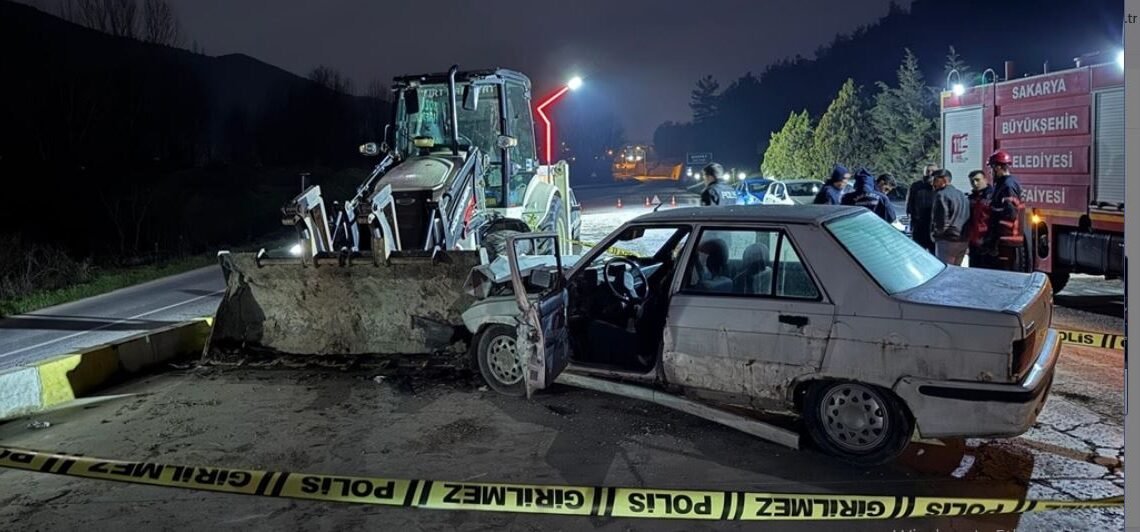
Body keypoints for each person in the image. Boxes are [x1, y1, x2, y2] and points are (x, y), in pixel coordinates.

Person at [982, 150, 1026, 271]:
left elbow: (1010, 213)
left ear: (998, 167)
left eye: (992, 168)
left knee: (1005, 275)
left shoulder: (1008, 185)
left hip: (1006, 239)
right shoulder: (1003, 183)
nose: (990, 172)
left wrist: (991, 209)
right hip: (1003, 239)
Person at [929, 169, 970, 265]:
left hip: (947, 240)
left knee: (945, 271)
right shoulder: (961, 194)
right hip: (963, 239)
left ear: (944, 180)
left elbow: (941, 220)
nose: (933, 183)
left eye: (935, 180)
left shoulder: (941, 195)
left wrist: (935, 234)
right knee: (957, 270)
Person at [964, 170, 994, 269]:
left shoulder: (993, 196)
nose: (975, 184)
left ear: (985, 179)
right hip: (973, 242)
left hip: (988, 242)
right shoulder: (971, 199)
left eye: (977, 180)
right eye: (972, 181)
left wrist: (991, 240)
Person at [906, 164, 938, 253]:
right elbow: (910, 204)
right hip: (919, 226)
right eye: (928, 171)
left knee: (934, 254)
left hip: (933, 228)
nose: (930, 173)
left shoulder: (938, 187)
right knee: (918, 253)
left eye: (932, 171)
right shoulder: (916, 186)